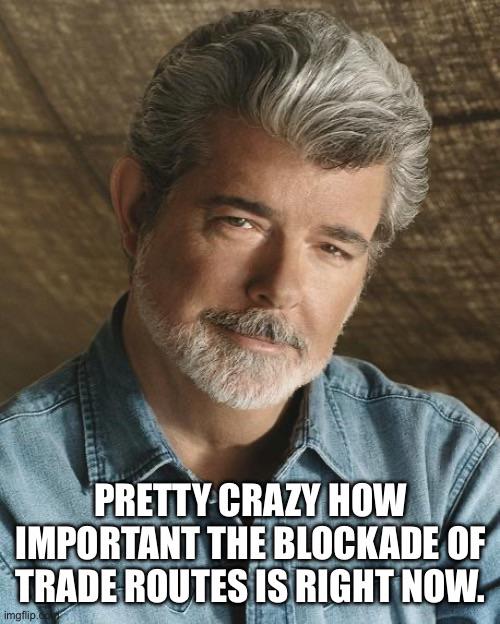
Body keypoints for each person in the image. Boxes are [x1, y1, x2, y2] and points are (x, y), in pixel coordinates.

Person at [0, 8, 498, 623]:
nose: (280, 289)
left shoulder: (452, 478)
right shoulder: (13, 501)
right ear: (136, 210)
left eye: (332, 248)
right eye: (241, 222)